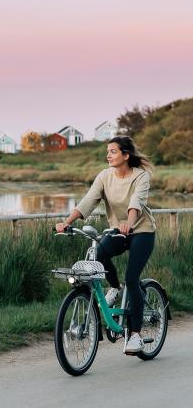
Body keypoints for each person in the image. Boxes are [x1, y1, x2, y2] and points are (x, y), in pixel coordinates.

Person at [55, 136, 156, 355]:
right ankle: (114, 288)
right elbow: (88, 201)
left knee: (132, 277)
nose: (108, 155)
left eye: (113, 151)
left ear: (126, 155)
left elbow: (136, 202)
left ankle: (136, 335)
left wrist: (129, 224)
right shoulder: (104, 176)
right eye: (107, 151)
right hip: (117, 231)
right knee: (99, 253)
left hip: (141, 231)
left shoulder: (141, 177)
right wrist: (67, 222)